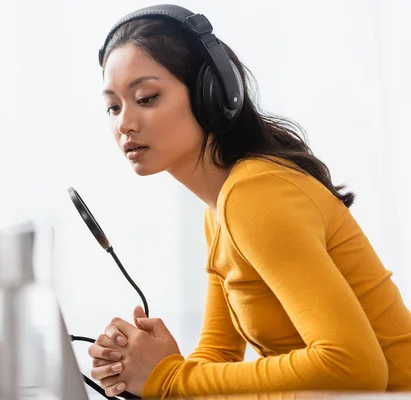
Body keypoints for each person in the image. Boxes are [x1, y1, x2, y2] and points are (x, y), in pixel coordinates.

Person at [86, 4, 411, 399]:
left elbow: (355, 367)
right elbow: (217, 355)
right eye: (113, 106)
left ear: (210, 94)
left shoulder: (255, 196)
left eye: (147, 97)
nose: (124, 123)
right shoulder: (220, 207)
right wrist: (142, 374)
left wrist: (170, 378)